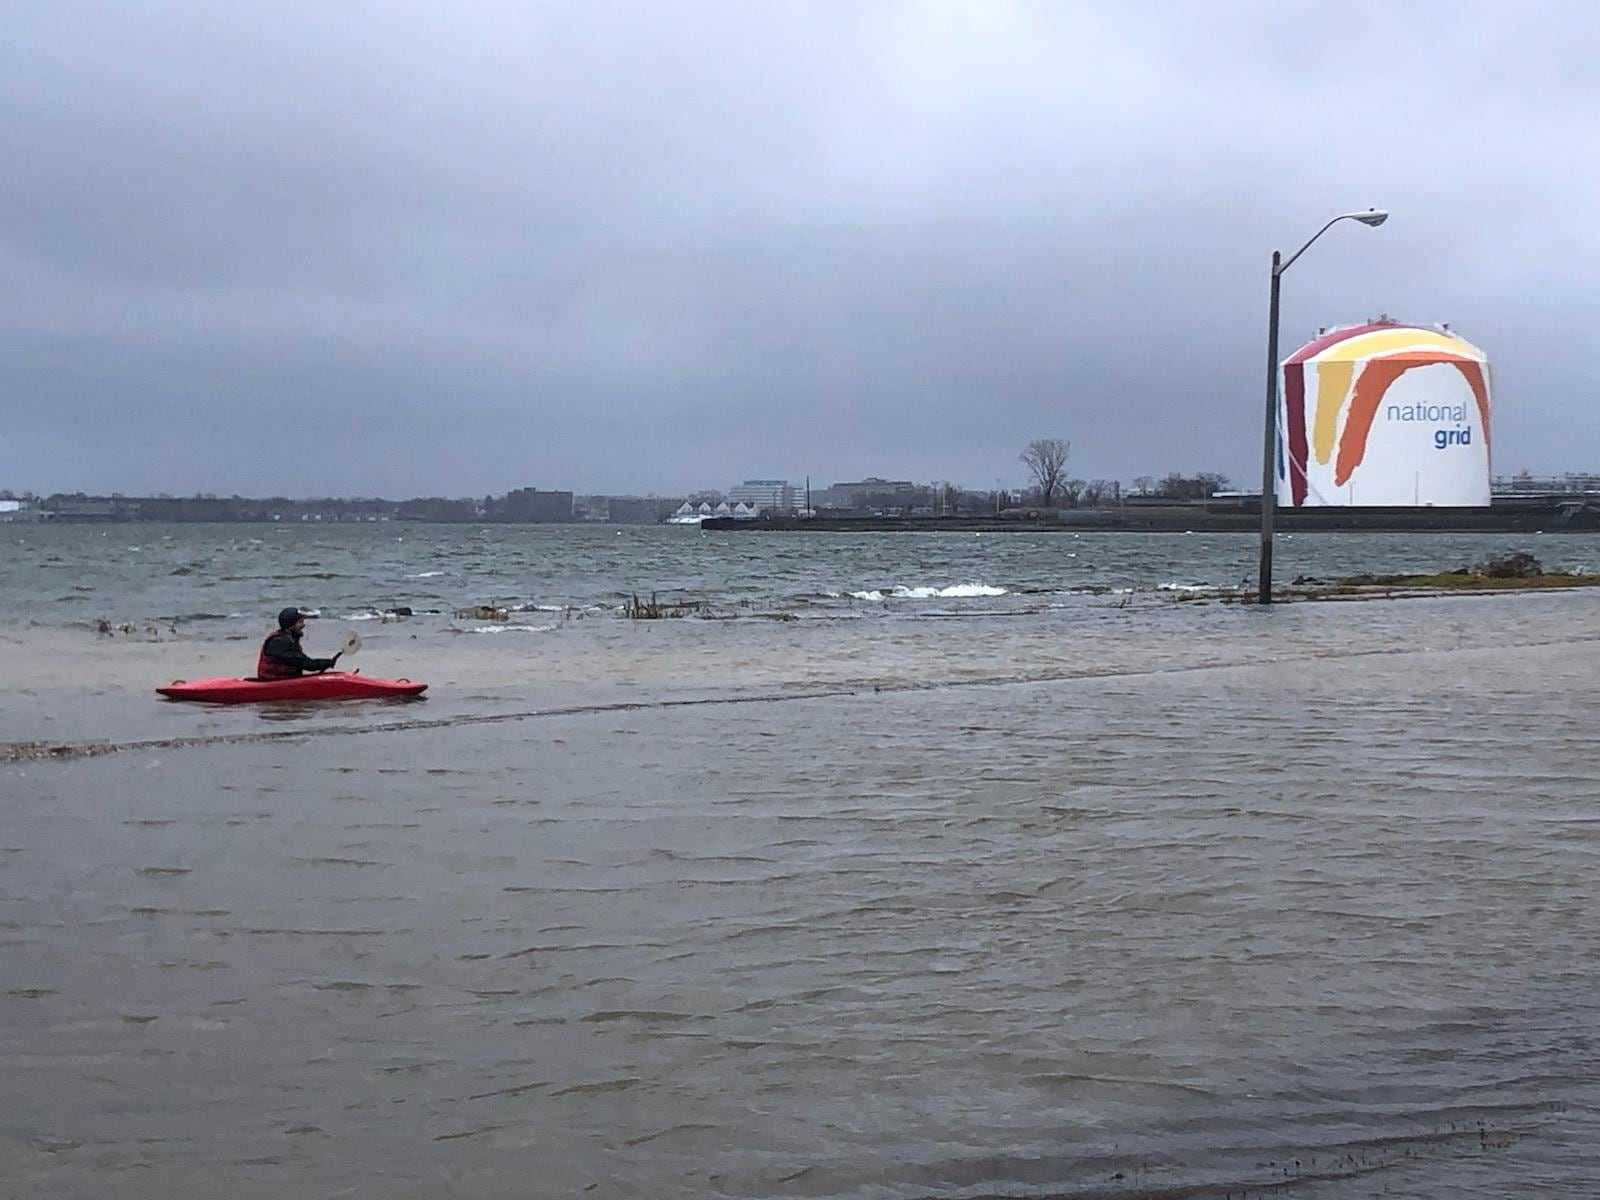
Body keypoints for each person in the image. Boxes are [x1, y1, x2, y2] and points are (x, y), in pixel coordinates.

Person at [256, 608, 341, 680]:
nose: (303, 625)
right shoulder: (280, 642)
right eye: (300, 622)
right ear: (291, 625)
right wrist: (326, 663)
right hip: (273, 682)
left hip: (284, 680)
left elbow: (302, 661)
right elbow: (304, 663)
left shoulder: (289, 639)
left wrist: (327, 663)